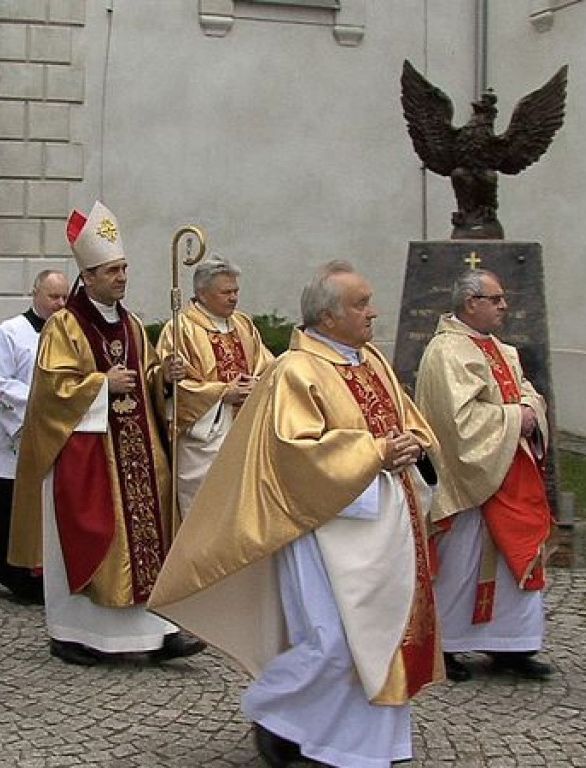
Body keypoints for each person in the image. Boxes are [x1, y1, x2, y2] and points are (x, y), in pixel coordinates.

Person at [151, 260, 444, 768]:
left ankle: (362, 744)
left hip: (384, 531)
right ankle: (275, 714)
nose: (373, 312)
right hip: (324, 530)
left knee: (379, 635)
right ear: (328, 317)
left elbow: (410, 422)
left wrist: (414, 445)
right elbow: (294, 452)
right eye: (361, 303)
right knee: (334, 641)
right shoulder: (295, 371)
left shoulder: (370, 360)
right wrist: (374, 452)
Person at [8, 201, 204, 666]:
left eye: (124, 269)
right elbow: (53, 389)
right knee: (94, 538)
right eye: (112, 271)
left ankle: (157, 631)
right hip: (87, 451)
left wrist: (166, 378)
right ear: (89, 276)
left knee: (149, 537)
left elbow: (148, 374)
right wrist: (101, 385)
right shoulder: (65, 325)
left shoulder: (134, 325)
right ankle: (72, 633)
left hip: (138, 450)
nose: (121, 277)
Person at [414, 268, 554, 682]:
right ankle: (449, 646)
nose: (504, 306)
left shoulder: (498, 348)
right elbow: (458, 422)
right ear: (471, 303)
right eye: (495, 299)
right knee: (462, 564)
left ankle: (511, 644)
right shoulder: (446, 353)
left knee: (517, 560)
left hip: (510, 473)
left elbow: (525, 390)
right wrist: (517, 417)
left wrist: (528, 411)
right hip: (469, 479)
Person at [0, 269, 69, 602]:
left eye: (63, 297)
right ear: (35, 294)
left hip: (50, 435)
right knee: (6, 505)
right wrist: (35, 407)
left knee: (31, 509)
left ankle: (17, 567)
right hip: (12, 436)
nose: (59, 304)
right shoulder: (10, 332)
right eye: (52, 297)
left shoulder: (69, 333)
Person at [155, 256, 273, 520]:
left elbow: (268, 367)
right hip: (205, 439)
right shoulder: (179, 329)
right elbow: (174, 385)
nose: (233, 298)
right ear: (202, 294)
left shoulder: (243, 325)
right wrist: (222, 394)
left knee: (243, 513)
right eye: (226, 292)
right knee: (206, 515)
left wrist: (258, 384)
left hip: (245, 431)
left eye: (236, 291)